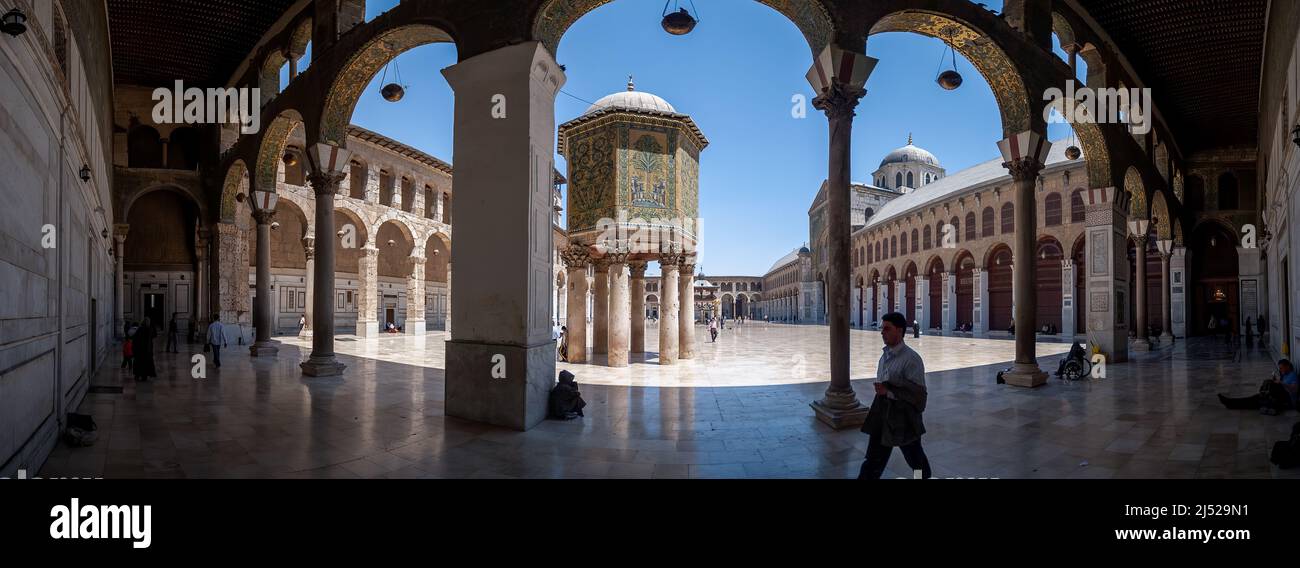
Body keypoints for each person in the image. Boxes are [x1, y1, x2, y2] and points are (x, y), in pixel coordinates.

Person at [859, 312, 932, 479]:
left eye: (887, 329)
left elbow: (918, 395)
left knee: (916, 462)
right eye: (882, 329)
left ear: (899, 331)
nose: (882, 332)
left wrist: (889, 391)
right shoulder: (885, 355)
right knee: (873, 461)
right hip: (883, 415)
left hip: (904, 419)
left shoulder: (911, 359)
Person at [1219, 359, 1299, 415]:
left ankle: (1230, 403)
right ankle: (1230, 402)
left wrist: (1281, 383)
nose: (1280, 370)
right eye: (1280, 368)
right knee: (1253, 399)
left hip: (1288, 401)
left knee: (1266, 389)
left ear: (1287, 366)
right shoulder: (1285, 375)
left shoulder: (1293, 375)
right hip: (1278, 397)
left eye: (1281, 368)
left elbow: (1294, 389)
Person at [132, 317, 157, 381]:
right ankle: (144, 376)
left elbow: (135, 339)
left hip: (141, 350)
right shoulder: (149, 329)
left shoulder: (140, 329)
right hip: (146, 350)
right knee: (145, 363)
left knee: (139, 363)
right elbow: (154, 335)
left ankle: (138, 375)